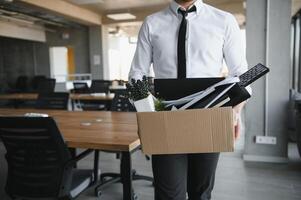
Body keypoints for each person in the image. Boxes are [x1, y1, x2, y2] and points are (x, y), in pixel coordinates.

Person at [129, 0, 249, 199]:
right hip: (165, 121)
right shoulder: (152, 23)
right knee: (168, 194)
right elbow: (136, 75)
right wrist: (145, 117)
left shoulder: (224, 21)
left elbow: (241, 74)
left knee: (201, 193)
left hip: (210, 117)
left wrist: (236, 112)